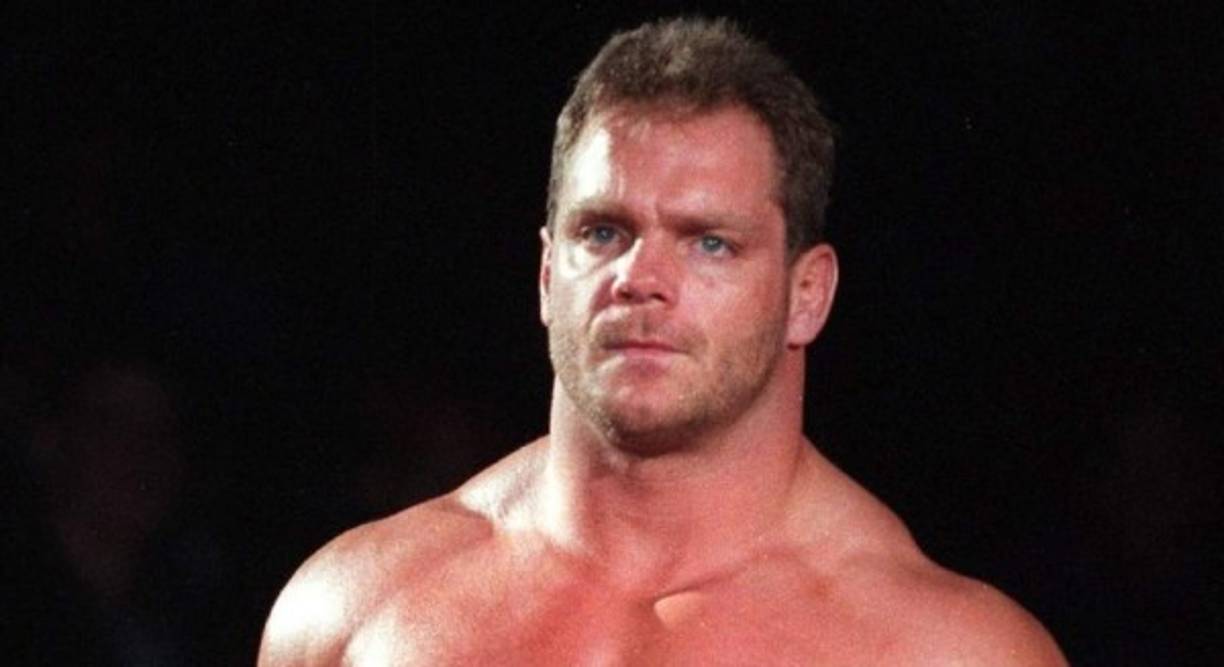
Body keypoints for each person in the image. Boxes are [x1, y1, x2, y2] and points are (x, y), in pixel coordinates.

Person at [259, 17, 1066, 665]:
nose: (640, 277)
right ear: (547, 274)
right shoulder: (360, 612)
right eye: (603, 232)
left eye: (710, 242)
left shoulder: (943, 649)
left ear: (806, 295)